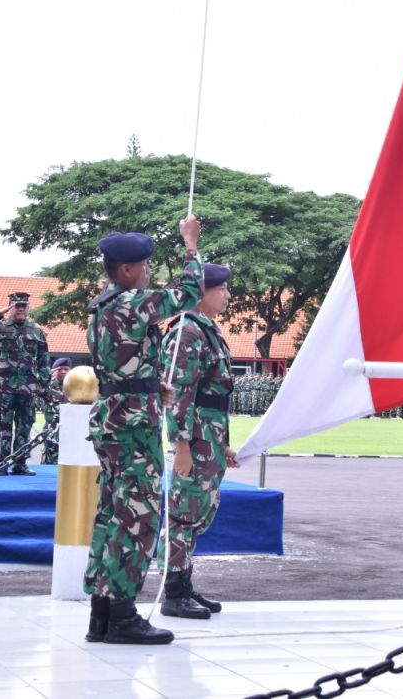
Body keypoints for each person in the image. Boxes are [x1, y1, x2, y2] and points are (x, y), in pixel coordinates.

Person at [83, 217, 202, 646]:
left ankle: (102, 611)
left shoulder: (101, 306)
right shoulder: (134, 303)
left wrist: (154, 386)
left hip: (116, 418)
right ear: (128, 270)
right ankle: (122, 614)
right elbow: (189, 294)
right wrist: (191, 246)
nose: (149, 273)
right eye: (146, 266)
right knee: (139, 517)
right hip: (133, 428)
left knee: (112, 516)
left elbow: (123, 364)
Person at [161, 262, 239, 620]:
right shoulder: (186, 333)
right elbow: (178, 396)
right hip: (192, 440)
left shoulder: (207, 330)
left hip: (208, 436)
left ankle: (185, 583)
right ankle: (173, 593)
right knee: (182, 515)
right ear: (201, 292)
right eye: (221, 289)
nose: (227, 295)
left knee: (199, 513)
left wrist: (221, 444)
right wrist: (181, 447)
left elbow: (214, 398)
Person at [0, 292, 50, 475]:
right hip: (4, 387)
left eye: (24, 306)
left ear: (28, 308)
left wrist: (43, 385)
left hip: (28, 387)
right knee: (3, 425)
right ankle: (2, 463)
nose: (20, 309)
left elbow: (43, 360)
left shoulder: (36, 330)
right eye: (16, 306)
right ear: (10, 307)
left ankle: (20, 463)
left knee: (25, 425)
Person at [42, 357, 72, 465]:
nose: (63, 371)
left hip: (70, 431)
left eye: (66, 369)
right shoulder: (47, 386)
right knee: (49, 463)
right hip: (52, 431)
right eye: (60, 369)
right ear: (54, 371)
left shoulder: (75, 387)